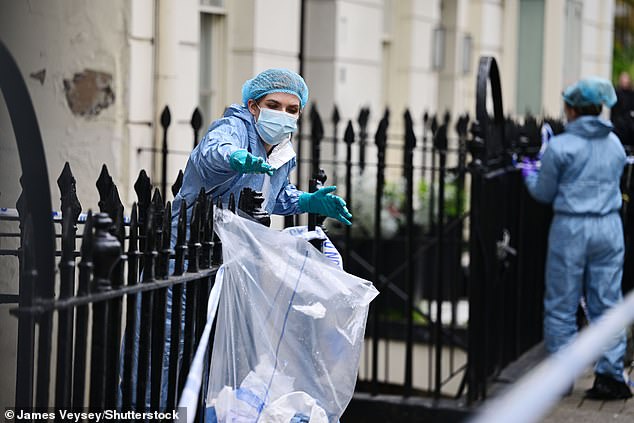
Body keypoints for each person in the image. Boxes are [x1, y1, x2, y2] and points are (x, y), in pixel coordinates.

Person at [521, 77, 632, 400]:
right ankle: (610, 377)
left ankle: (562, 376)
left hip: (571, 229)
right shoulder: (613, 144)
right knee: (608, 303)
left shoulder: (560, 146)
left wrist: (529, 174)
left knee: (562, 303)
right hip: (609, 227)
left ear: (572, 109)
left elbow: (544, 192)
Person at [171, 68, 352, 244]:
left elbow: (271, 196)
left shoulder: (282, 149)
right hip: (191, 247)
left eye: (291, 110)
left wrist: (306, 201)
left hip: (237, 248)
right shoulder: (235, 126)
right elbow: (213, 149)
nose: (282, 114)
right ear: (252, 106)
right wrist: (234, 157)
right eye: (273, 105)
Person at [611, 71, 634, 147]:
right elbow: (613, 111)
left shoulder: (631, 94)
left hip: (630, 125)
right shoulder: (616, 93)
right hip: (618, 125)